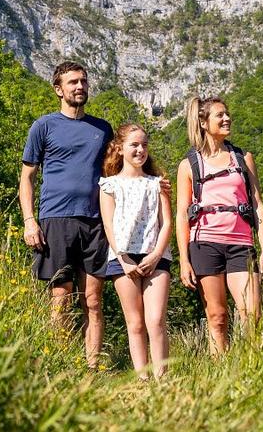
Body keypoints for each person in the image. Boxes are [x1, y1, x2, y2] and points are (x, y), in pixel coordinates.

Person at [19, 61, 113, 368]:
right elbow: (27, 178)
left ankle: (92, 368)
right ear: (58, 89)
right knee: (60, 298)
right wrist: (29, 221)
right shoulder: (43, 126)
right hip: (55, 220)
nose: (80, 87)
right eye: (73, 82)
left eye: (83, 81)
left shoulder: (102, 129)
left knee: (93, 301)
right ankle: (61, 365)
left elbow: (116, 172)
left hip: (95, 222)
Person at [175, 96, 263, 355]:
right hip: (204, 244)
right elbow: (182, 214)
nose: (227, 118)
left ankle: (253, 364)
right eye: (220, 115)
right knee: (217, 317)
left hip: (241, 244)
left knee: (252, 313)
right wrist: (184, 260)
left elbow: (258, 205)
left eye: (227, 114)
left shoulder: (243, 158)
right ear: (203, 123)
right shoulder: (188, 165)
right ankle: (221, 368)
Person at [98, 123, 172, 379]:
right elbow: (108, 225)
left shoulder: (157, 183)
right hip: (123, 259)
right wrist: (124, 258)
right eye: (134, 145)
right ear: (120, 148)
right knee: (136, 322)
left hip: (156, 256)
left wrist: (156, 255)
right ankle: (143, 378)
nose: (140, 150)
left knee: (156, 320)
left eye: (144, 145)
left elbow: (166, 223)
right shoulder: (108, 185)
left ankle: (163, 378)